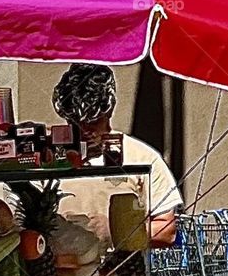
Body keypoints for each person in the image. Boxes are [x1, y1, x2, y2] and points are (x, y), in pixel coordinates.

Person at [52, 64, 181, 247]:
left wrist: (115, 230)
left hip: (121, 271)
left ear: (109, 112)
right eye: (75, 124)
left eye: (93, 122)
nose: (84, 132)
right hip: (65, 267)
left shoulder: (142, 157)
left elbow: (166, 230)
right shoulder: (50, 158)